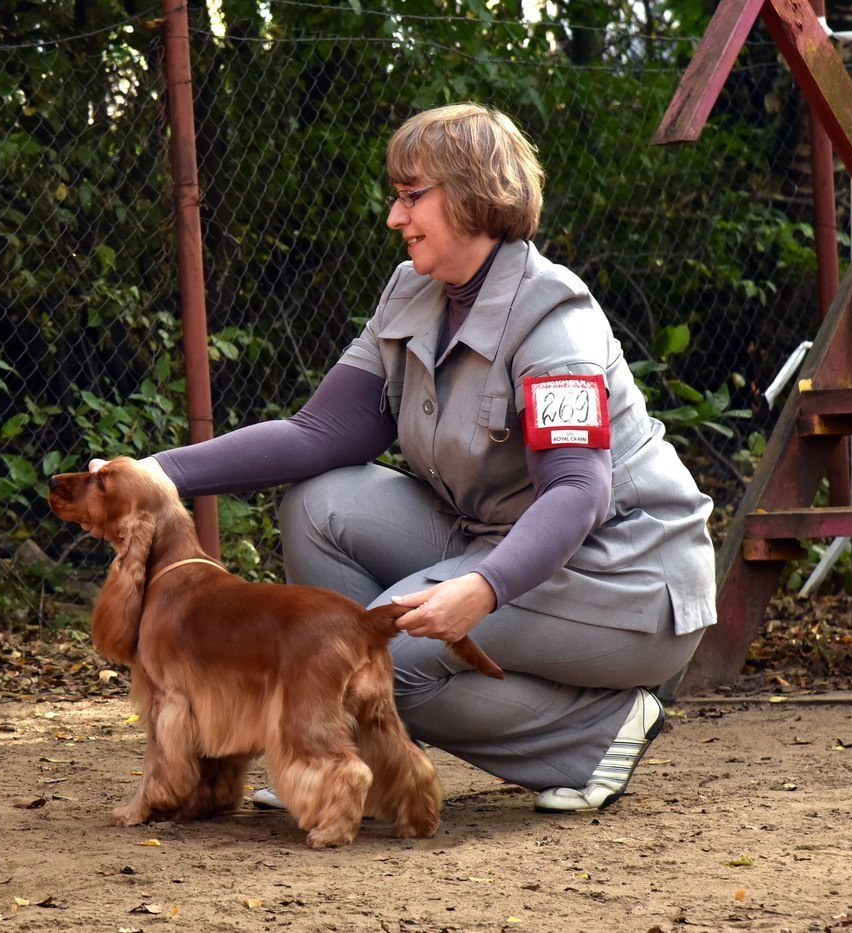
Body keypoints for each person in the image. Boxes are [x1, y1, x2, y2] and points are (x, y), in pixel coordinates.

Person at [89, 102, 716, 814]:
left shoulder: (554, 319)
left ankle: (592, 732)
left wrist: (482, 586)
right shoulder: (411, 291)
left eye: (412, 195)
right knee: (315, 504)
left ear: (475, 192)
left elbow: (577, 491)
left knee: (376, 661)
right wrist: (154, 473)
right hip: (497, 536)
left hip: (625, 572)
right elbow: (316, 435)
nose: (395, 215)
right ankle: (326, 744)